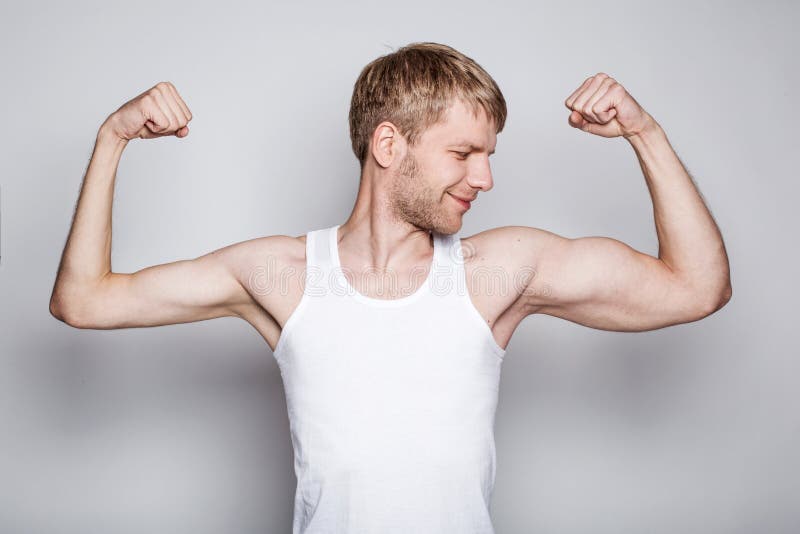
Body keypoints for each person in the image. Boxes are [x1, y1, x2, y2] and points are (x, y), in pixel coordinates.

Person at [49, 42, 731, 534]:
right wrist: (112, 139)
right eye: (463, 154)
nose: (484, 178)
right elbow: (83, 301)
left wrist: (646, 134)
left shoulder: (496, 275)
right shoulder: (281, 276)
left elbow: (696, 288)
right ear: (388, 146)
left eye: (489, 156)